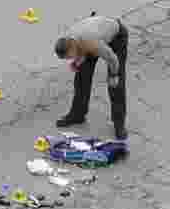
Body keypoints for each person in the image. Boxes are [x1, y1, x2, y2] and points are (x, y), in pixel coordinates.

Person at [53, 12, 129, 140]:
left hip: (116, 37)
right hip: (93, 33)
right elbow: (80, 50)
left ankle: (119, 124)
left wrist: (114, 75)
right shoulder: (69, 38)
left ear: (72, 47)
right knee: (81, 79)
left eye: (69, 56)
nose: (70, 59)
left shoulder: (93, 43)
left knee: (115, 85)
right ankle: (77, 115)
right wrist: (77, 61)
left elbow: (113, 60)